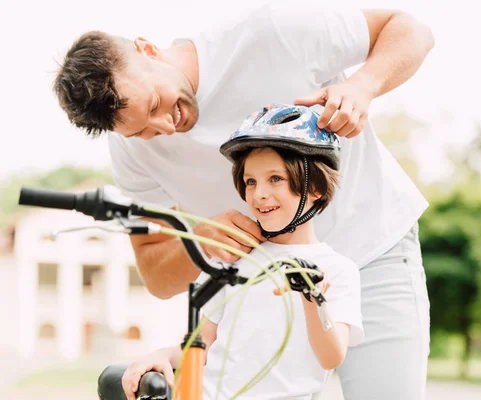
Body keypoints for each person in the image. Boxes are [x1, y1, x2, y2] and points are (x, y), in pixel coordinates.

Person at [54, 2, 434, 398]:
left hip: (373, 250)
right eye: (142, 132)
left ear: (148, 49)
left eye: (155, 105)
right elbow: (155, 272)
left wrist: (363, 86)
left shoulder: (269, 32)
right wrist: (202, 238)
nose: (166, 127)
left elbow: (409, 29)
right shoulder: (131, 153)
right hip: (263, 279)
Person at [118, 104, 363, 400]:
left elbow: (331, 358)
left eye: (275, 179)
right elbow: (202, 346)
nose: (259, 194)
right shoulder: (236, 256)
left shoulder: (337, 270)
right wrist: (160, 356)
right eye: (251, 181)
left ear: (316, 187)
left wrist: (314, 300)